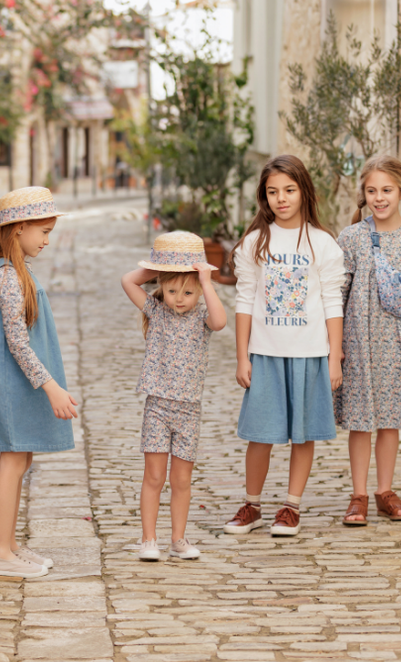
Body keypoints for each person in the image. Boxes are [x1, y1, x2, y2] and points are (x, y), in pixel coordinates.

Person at [224, 155, 345, 537]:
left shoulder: (323, 244)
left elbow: (332, 302)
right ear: (264, 196)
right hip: (266, 353)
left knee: (303, 433)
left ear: (304, 192)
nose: (281, 198)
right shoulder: (255, 243)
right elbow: (244, 300)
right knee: (261, 433)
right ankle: (252, 504)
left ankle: (291, 506)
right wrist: (242, 355)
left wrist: (335, 357)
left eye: (289, 190)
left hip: (310, 353)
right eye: (273, 192)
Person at [0, 187, 77, 578]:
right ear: (19, 229)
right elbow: (17, 343)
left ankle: (9, 544)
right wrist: (51, 386)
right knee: (11, 462)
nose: (48, 240)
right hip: (15, 387)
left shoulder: (19, 272)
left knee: (22, 458)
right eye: (43, 231)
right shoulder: (9, 278)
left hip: (21, 385)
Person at [336, 155, 401, 526]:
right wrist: (336, 345)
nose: (380, 198)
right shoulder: (350, 238)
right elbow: (337, 294)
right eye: (372, 190)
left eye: (387, 190)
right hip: (359, 342)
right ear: (363, 194)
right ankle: (359, 494)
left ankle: (384, 491)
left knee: (390, 419)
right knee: (361, 420)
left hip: (398, 343)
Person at [121, 231, 227, 561]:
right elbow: (128, 281)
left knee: (181, 480)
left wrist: (207, 283)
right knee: (154, 476)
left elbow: (222, 321)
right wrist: (159, 266)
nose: (179, 298)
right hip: (158, 407)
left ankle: (178, 539)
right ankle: (148, 539)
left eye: (188, 291)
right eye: (171, 290)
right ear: (162, 287)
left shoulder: (201, 318)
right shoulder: (157, 311)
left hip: (188, 410)